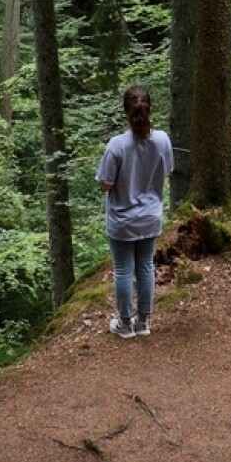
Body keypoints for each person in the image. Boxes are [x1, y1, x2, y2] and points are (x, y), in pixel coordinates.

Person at [95, 86, 174, 339]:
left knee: (123, 271)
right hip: (150, 216)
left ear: (124, 111)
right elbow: (167, 170)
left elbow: (105, 184)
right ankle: (143, 322)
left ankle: (125, 324)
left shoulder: (116, 145)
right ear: (150, 109)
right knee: (146, 266)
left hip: (122, 220)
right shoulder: (162, 139)